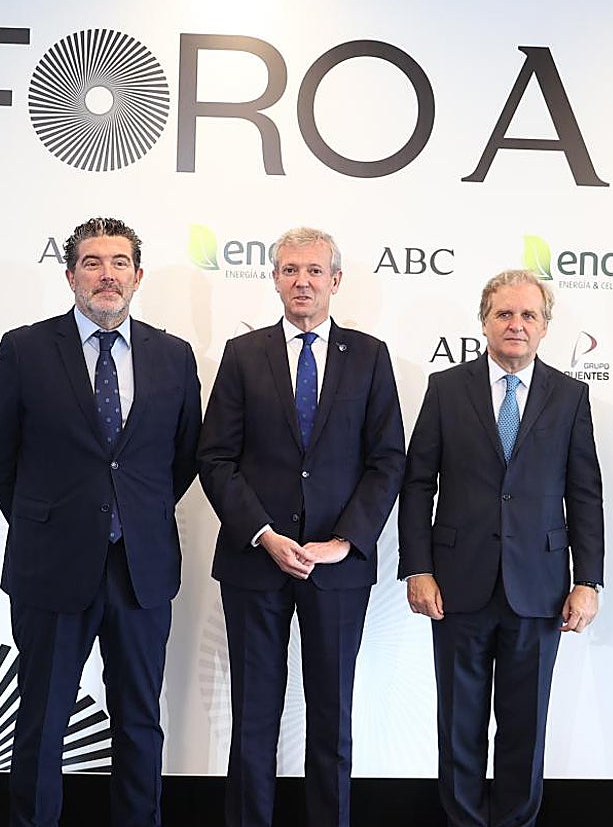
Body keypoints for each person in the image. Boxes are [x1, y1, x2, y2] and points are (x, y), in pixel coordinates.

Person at [0, 217, 202, 827]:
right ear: (71, 273)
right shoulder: (24, 349)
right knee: (43, 719)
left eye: (119, 262)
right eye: (93, 263)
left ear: (138, 275)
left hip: (141, 569)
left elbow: (181, 458)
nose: (107, 275)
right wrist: (45, 520)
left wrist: (130, 514)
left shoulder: (174, 357)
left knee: (140, 721)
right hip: (50, 570)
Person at [197, 227, 406, 827]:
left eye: (314, 271)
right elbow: (215, 458)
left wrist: (343, 542)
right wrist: (263, 533)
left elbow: (388, 457)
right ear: (274, 279)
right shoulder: (244, 355)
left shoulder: (369, 356)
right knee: (254, 715)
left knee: (331, 716)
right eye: (290, 270)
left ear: (335, 280)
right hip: (254, 562)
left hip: (337, 571)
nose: (302, 281)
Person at [398, 269, 605, 827]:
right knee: (459, 725)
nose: (516, 325)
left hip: (539, 590)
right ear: (484, 321)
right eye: (504, 314)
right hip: (457, 586)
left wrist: (588, 581)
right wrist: (417, 567)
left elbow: (584, 492)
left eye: (528, 315)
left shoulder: (569, 396)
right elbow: (418, 483)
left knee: (525, 727)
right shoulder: (447, 388)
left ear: (544, 327)